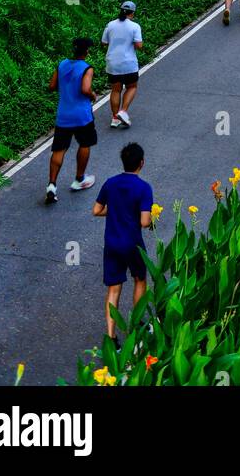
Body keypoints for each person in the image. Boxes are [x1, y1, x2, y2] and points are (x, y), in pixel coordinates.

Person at [92, 142, 154, 346]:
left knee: (113, 289)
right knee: (139, 279)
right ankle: (136, 325)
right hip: (133, 244)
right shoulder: (144, 188)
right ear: (141, 163)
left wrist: (117, 210)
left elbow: (96, 210)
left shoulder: (110, 183)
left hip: (112, 243)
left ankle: (111, 337)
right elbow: (145, 222)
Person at [46, 37, 97, 204]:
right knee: (84, 144)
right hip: (81, 116)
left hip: (63, 115)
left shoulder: (62, 64)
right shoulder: (86, 68)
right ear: (87, 51)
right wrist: (92, 95)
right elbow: (85, 89)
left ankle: (52, 185)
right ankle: (79, 179)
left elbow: (52, 86)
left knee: (59, 149)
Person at [101, 0, 143, 129]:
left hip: (112, 63)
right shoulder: (135, 26)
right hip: (129, 63)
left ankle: (115, 118)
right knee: (132, 87)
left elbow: (104, 43)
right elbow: (139, 45)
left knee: (116, 89)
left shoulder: (110, 25)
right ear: (133, 13)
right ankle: (123, 111)